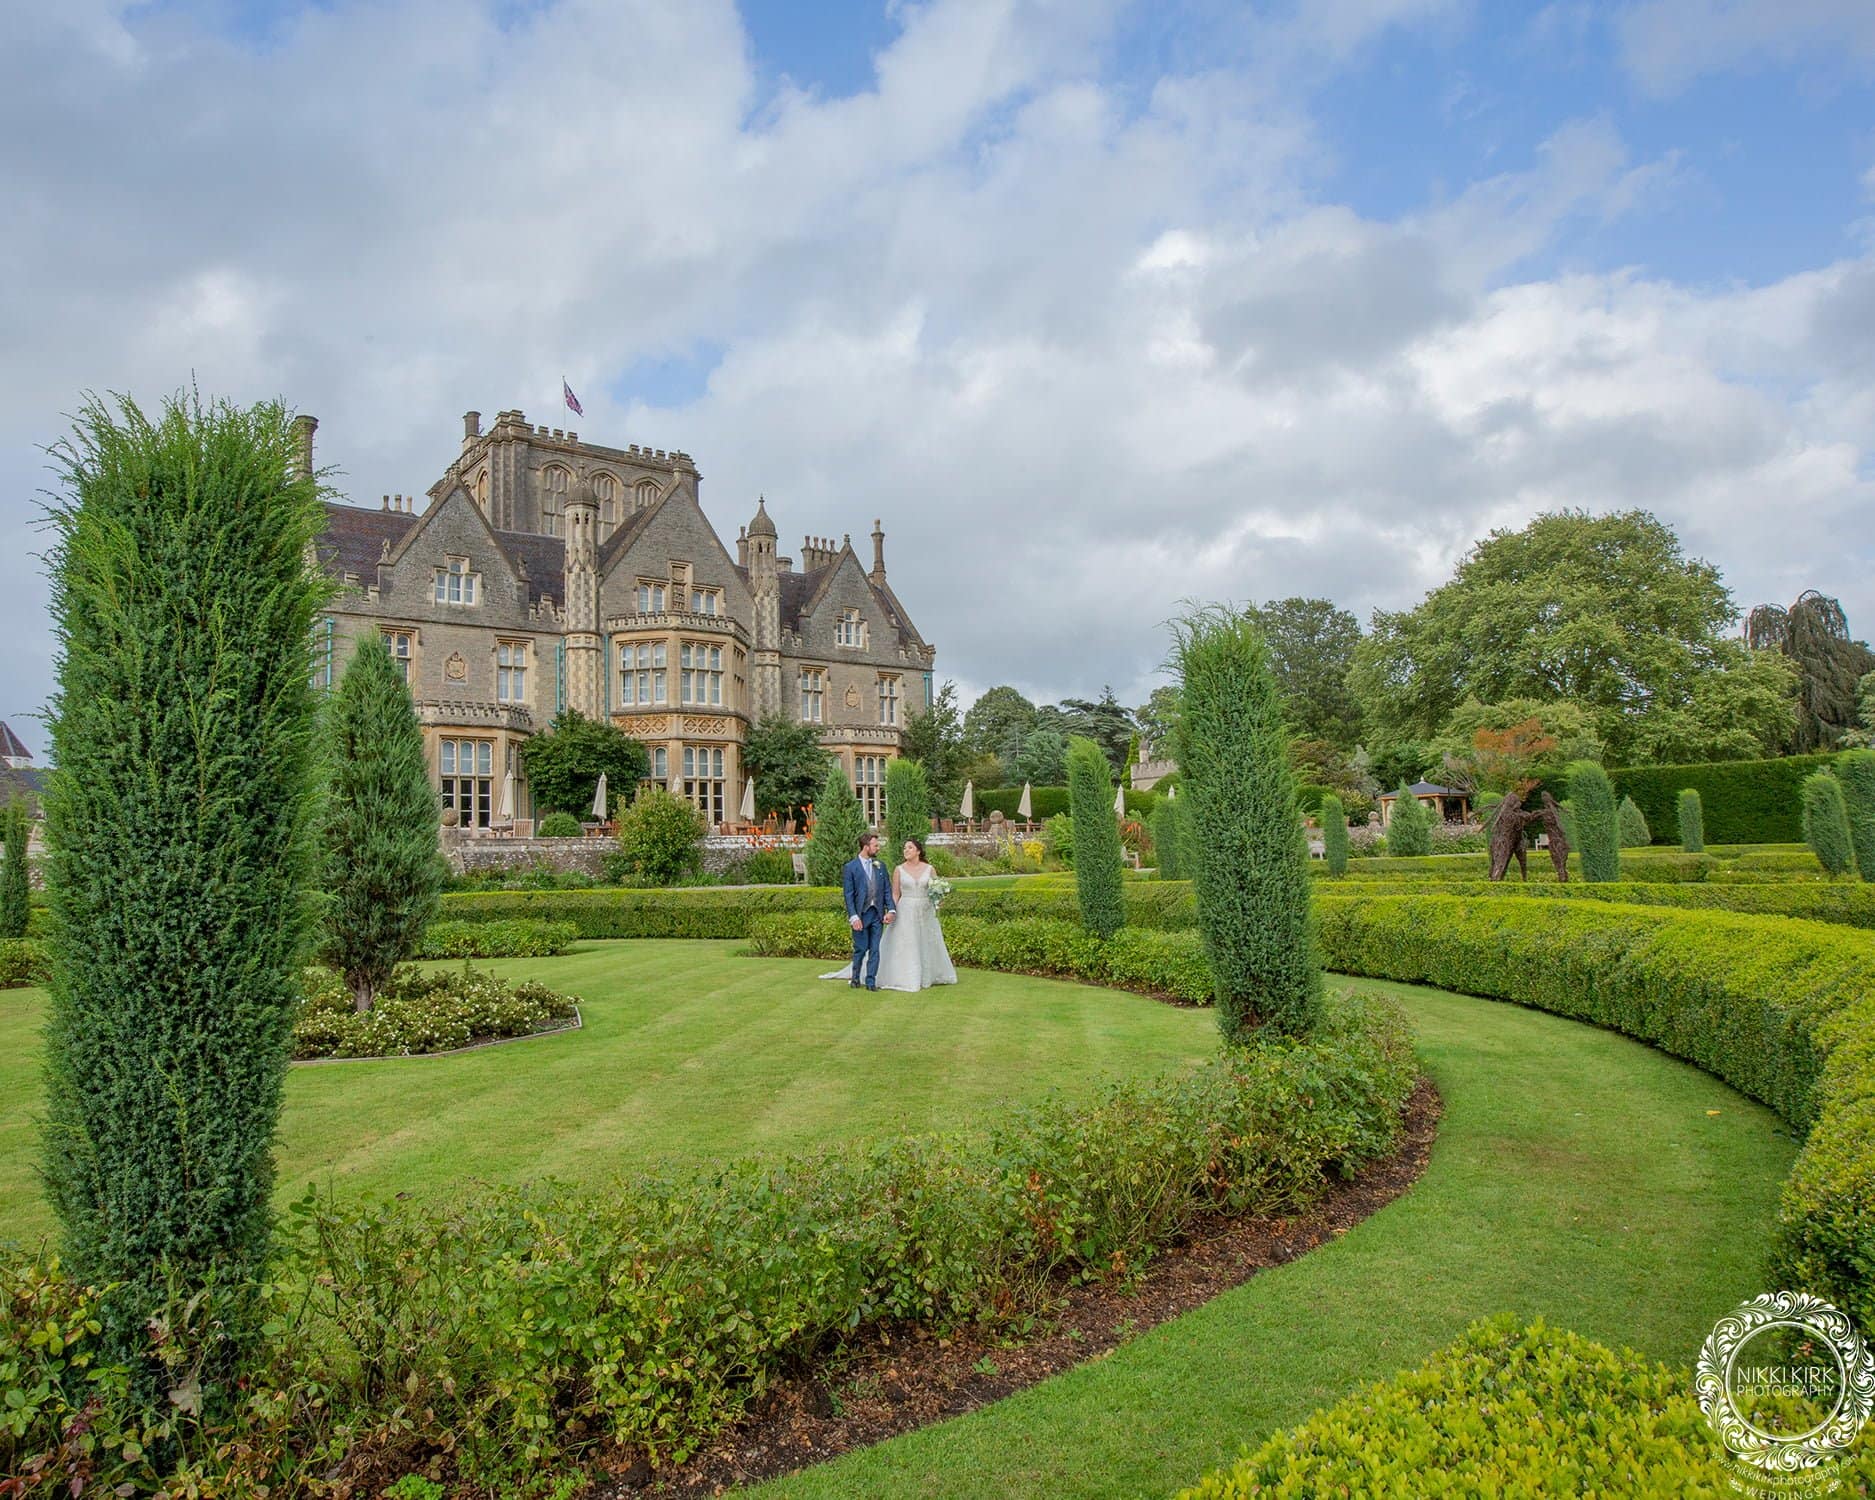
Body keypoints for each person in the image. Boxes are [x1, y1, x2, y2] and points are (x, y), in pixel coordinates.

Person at [872, 836, 957, 993]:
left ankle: (928, 976)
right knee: (908, 943)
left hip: (926, 910)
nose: (906, 850)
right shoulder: (899, 870)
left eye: (910, 847)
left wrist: (938, 900)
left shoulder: (929, 869)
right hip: (906, 910)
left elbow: (935, 889)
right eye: (905, 848)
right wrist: (891, 911)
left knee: (927, 941)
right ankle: (907, 976)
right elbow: (895, 894)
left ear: (918, 851)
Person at [838, 832, 896, 990]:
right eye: (875, 845)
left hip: (877, 914)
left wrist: (891, 909)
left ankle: (871, 981)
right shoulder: (850, 867)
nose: (878, 848)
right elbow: (848, 895)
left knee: (875, 949)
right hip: (861, 915)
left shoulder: (880, 866)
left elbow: (887, 890)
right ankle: (855, 977)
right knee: (861, 948)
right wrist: (853, 917)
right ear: (866, 847)